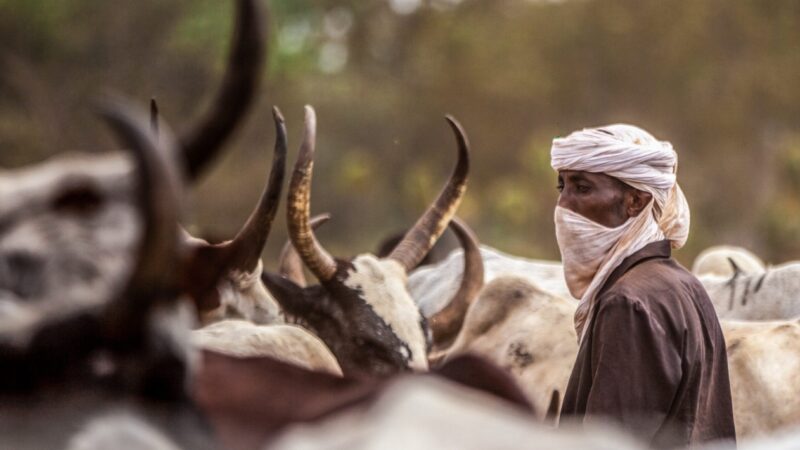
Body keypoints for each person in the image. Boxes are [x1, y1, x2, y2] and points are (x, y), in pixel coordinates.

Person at [551, 124, 736, 448]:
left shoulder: (628, 303)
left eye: (581, 188)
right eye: (562, 186)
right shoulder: (683, 284)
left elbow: (609, 442)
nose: (563, 204)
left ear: (635, 201)